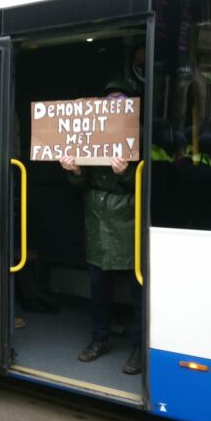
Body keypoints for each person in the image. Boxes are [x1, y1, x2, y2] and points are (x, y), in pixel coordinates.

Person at [59, 79, 143, 376]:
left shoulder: (140, 136)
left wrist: (126, 174)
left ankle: (139, 347)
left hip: (130, 219)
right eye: (108, 100)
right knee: (99, 286)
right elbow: (80, 185)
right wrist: (76, 171)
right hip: (98, 219)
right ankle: (100, 339)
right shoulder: (91, 135)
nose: (114, 105)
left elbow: (152, 187)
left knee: (138, 290)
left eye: (120, 100)